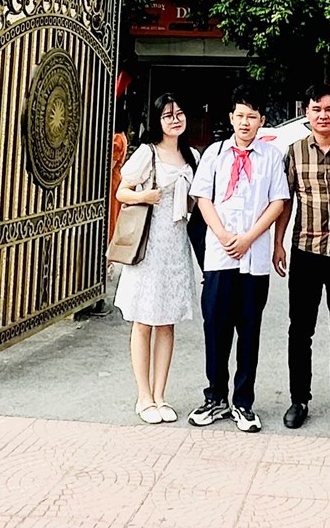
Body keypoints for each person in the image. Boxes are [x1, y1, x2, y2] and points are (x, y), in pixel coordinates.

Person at [187, 87, 289, 432]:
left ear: (262, 121)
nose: (245, 122)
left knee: (248, 330)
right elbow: (203, 197)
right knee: (215, 328)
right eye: (240, 115)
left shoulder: (271, 156)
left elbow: (278, 202)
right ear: (231, 118)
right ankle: (215, 397)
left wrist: (248, 238)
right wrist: (222, 235)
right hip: (220, 257)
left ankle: (243, 402)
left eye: (252, 117)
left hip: (254, 258)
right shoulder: (215, 153)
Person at [272, 83, 330, 432]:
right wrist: (278, 243)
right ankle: (299, 399)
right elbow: (285, 201)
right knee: (300, 330)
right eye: (316, 109)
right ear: (307, 113)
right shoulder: (295, 152)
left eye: (329, 109)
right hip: (306, 252)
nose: (323, 115)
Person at [113, 93, 199, 424]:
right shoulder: (147, 153)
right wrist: (144, 196)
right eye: (167, 115)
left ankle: (161, 395)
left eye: (179, 114)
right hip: (149, 247)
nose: (175, 120)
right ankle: (144, 396)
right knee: (143, 320)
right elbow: (121, 191)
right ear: (157, 121)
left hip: (176, 248)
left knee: (167, 321)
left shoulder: (192, 156)